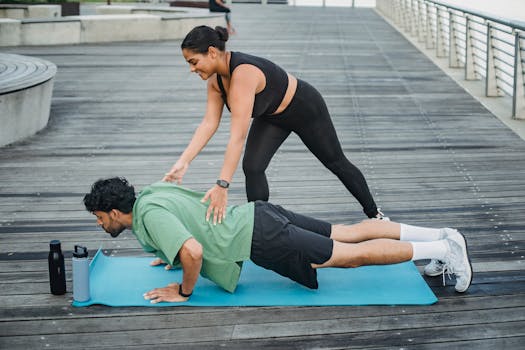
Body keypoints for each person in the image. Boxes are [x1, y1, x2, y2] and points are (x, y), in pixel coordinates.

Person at [83, 177, 473, 303]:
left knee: (349, 256)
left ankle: (443, 250)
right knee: (349, 232)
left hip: (260, 237)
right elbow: (185, 226)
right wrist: (170, 253)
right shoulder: (151, 195)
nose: (101, 225)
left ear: (115, 212)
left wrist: (183, 290)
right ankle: (440, 236)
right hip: (259, 214)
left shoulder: (148, 214)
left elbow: (195, 250)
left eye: (100, 218)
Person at [163, 25, 386, 225]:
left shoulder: (243, 74)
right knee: (253, 167)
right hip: (272, 116)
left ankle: (376, 215)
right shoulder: (215, 82)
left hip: (304, 108)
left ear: (212, 52)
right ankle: (261, 225)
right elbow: (208, 124)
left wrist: (222, 185)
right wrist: (183, 162)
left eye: (193, 62)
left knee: (336, 162)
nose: (192, 69)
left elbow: (237, 137)